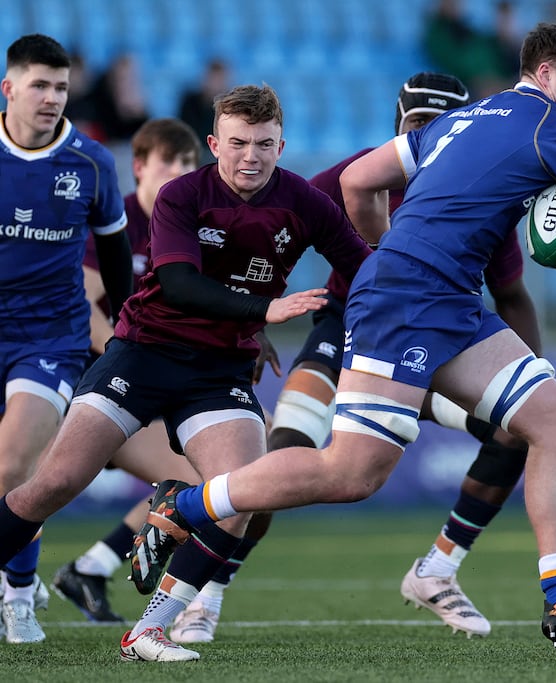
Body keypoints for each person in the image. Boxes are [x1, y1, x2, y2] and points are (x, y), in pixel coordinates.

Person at [132, 19, 556, 652]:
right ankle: (184, 508)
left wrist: (383, 250)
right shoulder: (554, 128)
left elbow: (358, 181)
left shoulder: (466, 118)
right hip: (409, 301)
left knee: (555, 420)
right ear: (546, 74)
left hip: (445, 301)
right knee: (351, 474)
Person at [0, 83, 372, 662]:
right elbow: (178, 283)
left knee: (242, 495)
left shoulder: (305, 203)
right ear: (214, 144)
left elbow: (362, 269)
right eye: (239, 143)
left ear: (282, 144)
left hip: (219, 371)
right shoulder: (181, 195)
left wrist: (398, 304)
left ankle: (146, 631)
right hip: (144, 353)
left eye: (265, 144)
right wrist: (264, 310)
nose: (251, 156)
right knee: (54, 484)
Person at [167, 71, 535, 643]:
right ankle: (206, 594)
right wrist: (251, 313)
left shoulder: (481, 195)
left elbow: (512, 293)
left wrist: (532, 376)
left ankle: (437, 569)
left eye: (445, 125)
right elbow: (274, 224)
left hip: (424, 347)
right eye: (420, 124)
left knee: (517, 431)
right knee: (282, 454)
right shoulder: (357, 173)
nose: (434, 134)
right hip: (344, 331)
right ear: (399, 126)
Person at [0, 34, 133, 644]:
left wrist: (130, 331)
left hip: (49, 336)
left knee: (13, 464)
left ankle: (20, 594)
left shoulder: (91, 163)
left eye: (61, 87)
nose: (52, 98)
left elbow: (115, 262)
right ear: (9, 89)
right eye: (40, 86)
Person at [48, 117, 204, 623]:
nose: (181, 171)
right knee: (29, 487)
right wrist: (126, 348)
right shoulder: (118, 222)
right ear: (138, 167)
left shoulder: (187, 223)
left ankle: (92, 567)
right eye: (169, 162)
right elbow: (86, 302)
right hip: (94, 383)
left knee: (195, 483)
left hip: (141, 385)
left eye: (188, 163)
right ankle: (45, 582)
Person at [178, 59, 230, 165]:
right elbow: (184, 131)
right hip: (194, 153)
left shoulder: (231, 106)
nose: (216, 84)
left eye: (219, 80)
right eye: (214, 79)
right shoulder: (190, 102)